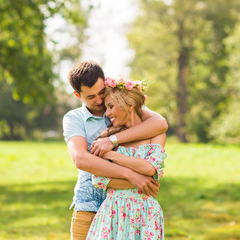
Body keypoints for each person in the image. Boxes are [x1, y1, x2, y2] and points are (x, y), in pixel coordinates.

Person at [63, 61, 168, 240]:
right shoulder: (74, 118)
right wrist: (131, 175)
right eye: (90, 97)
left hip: (131, 210)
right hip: (89, 206)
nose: (98, 101)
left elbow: (160, 124)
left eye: (101, 92)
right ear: (77, 95)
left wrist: (113, 141)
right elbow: (81, 159)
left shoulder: (120, 104)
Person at [86, 76, 166, 239]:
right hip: (113, 213)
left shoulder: (155, 134)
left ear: (129, 105)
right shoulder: (106, 135)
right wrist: (139, 179)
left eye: (110, 106)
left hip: (146, 215)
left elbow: (150, 169)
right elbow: (99, 180)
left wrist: (111, 154)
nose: (107, 113)